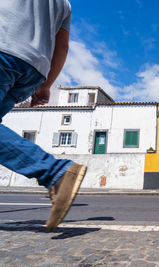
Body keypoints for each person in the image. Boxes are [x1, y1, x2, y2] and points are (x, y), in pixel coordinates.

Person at [0, 0, 87, 232]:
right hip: (33, 70)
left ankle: (54, 172)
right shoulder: (64, 4)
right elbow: (63, 48)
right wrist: (46, 85)